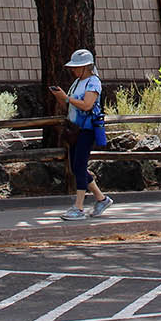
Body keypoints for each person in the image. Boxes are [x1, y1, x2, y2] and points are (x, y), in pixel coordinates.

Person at [50, 49, 113, 221]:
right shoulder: (77, 82)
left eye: (77, 67)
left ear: (86, 67)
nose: (74, 70)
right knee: (77, 166)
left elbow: (87, 105)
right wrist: (61, 97)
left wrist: (67, 99)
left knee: (79, 166)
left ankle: (78, 207)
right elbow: (70, 103)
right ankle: (101, 199)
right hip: (75, 129)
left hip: (87, 129)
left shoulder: (93, 82)